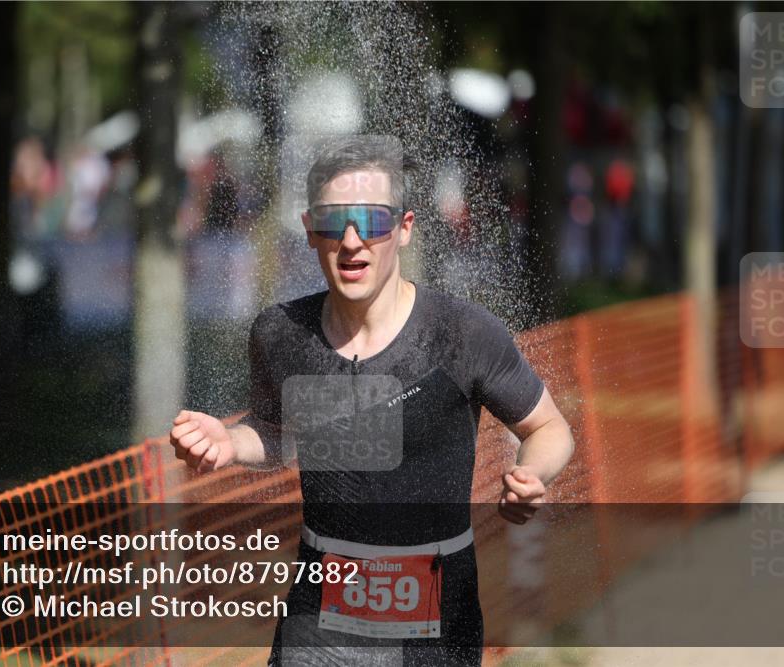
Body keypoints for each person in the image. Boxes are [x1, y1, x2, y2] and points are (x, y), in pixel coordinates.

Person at [169, 135, 575, 666]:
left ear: (404, 229)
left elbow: (549, 429)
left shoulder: (462, 333)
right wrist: (230, 439)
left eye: (374, 221)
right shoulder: (280, 335)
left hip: (434, 626)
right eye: (336, 222)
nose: (354, 241)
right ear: (311, 228)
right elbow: (283, 436)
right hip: (318, 622)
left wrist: (533, 476)